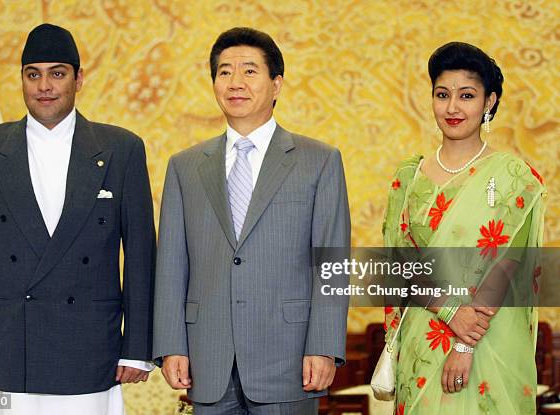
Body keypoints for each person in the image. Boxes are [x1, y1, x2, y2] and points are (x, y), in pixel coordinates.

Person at [0, 23, 156, 414]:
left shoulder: (121, 149)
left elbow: (142, 255)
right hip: (12, 345)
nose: (44, 85)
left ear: (78, 79)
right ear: (23, 81)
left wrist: (138, 348)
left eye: (57, 73)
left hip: (91, 345)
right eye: (33, 74)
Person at [153, 27, 350, 414]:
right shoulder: (185, 167)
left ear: (276, 84)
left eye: (249, 71)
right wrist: (171, 344)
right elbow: (171, 263)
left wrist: (324, 347)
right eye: (224, 72)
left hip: (289, 358)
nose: (235, 82)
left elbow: (331, 264)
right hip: (207, 359)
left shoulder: (319, 160)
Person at [382, 42, 546, 414]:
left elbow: (508, 264)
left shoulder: (512, 176)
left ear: (489, 102)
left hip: (487, 339)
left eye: (466, 95)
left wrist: (465, 344)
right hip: (424, 335)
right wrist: (450, 311)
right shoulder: (408, 177)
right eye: (443, 95)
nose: (452, 107)